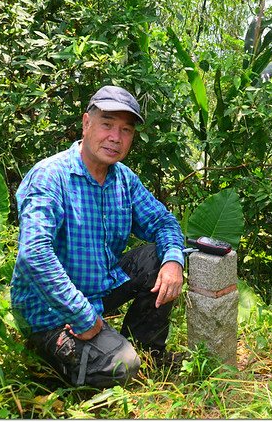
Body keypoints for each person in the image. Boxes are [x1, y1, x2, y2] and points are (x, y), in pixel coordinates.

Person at [10, 85, 185, 388]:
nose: (115, 138)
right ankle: (50, 359)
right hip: (49, 309)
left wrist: (173, 261)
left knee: (158, 258)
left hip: (98, 289)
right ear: (86, 123)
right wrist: (82, 316)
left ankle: (147, 352)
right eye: (107, 124)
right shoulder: (51, 176)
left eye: (125, 130)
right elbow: (34, 254)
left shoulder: (123, 178)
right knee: (122, 365)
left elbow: (163, 221)